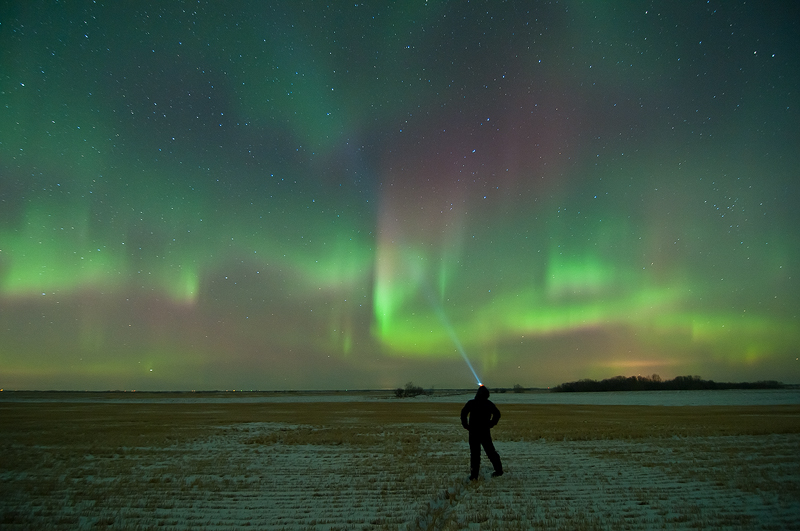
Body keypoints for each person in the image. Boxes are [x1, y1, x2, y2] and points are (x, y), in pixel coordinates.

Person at [460, 385, 503, 480]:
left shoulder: (472, 403)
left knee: (475, 454)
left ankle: (474, 475)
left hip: (474, 432)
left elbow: (463, 413)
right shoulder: (488, 404)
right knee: (490, 452)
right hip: (484, 431)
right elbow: (497, 414)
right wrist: (491, 424)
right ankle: (499, 471)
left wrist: (465, 425)